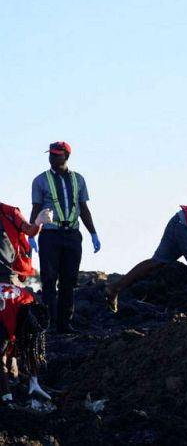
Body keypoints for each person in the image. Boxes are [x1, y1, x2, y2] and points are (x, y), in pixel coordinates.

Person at [30, 141, 100, 334]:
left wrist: (93, 233)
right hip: (50, 235)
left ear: (66, 156)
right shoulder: (40, 180)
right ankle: (49, 324)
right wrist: (31, 233)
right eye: (50, 154)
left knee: (69, 280)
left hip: (72, 235)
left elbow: (84, 208)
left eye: (56, 154)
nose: (52, 157)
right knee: (49, 280)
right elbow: (36, 207)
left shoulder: (79, 180)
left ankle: (65, 323)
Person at [0, 203, 53, 403]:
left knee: (26, 333)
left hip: (10, 285)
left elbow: (29, 229)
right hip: (13, 291)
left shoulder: (8, 212)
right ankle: (16, 388)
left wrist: (38, 223)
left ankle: (25, 385)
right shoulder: (8, 212)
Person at [0, 284, 51, 404]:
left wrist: (34, 380)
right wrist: (7, 397)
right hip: (3, 313)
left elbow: (32, 344)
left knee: (12, 356)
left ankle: (14, 383)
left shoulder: (31, 303)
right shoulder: (6, 318)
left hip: (10, 305)